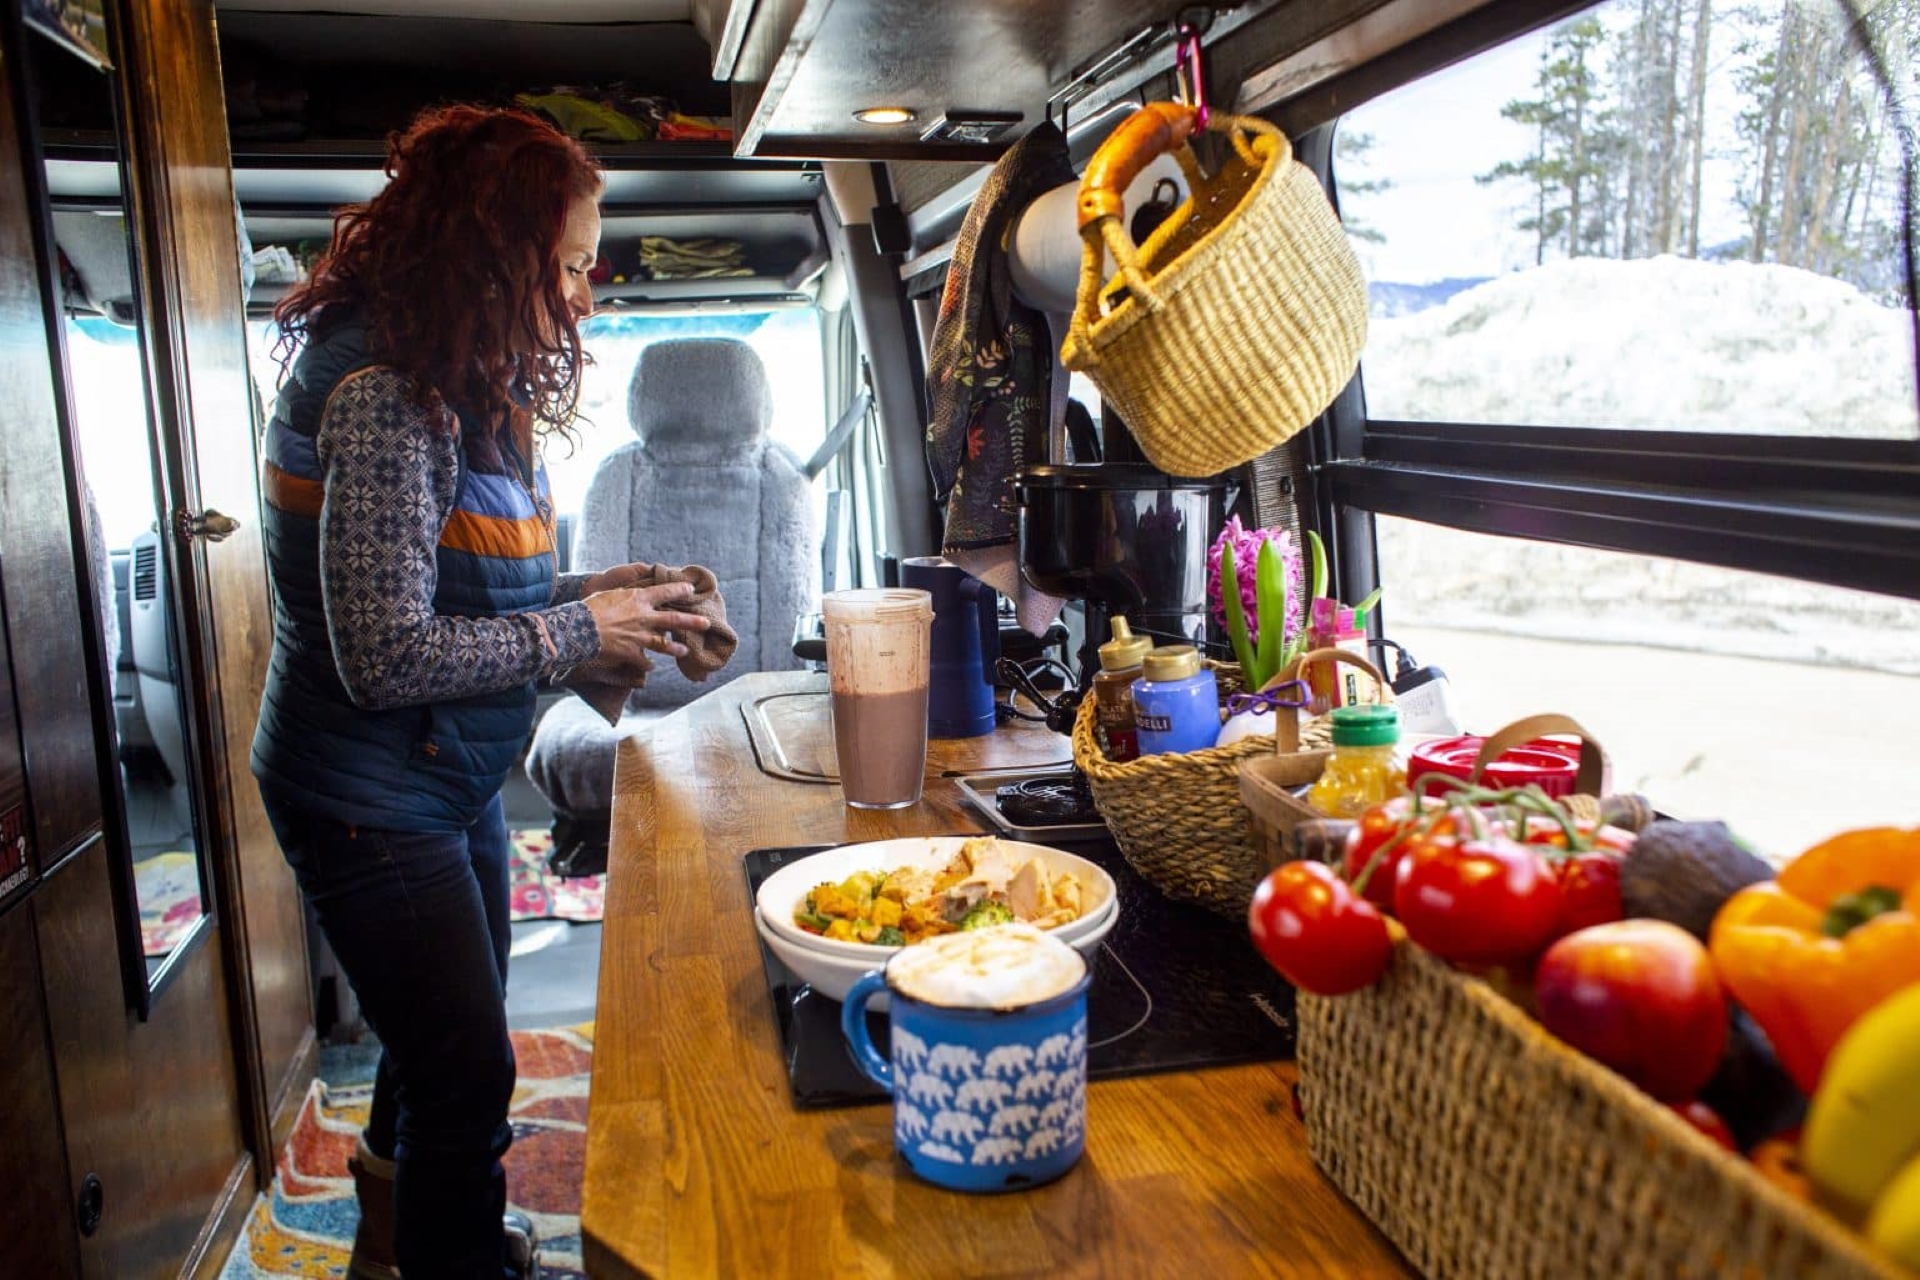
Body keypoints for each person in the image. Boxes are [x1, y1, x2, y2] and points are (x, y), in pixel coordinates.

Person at [250, 104, 709, 1280]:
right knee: (463, 1063)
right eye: (568, 263)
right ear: (495, 256)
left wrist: (604, 592)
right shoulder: (389, 394)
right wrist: (577, 629)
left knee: (435, 1027)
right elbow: (387, 653)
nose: (586, 291)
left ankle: (399, 1245)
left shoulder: (449, 366)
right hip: (368, 792)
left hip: (433, 776)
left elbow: (457, 575)